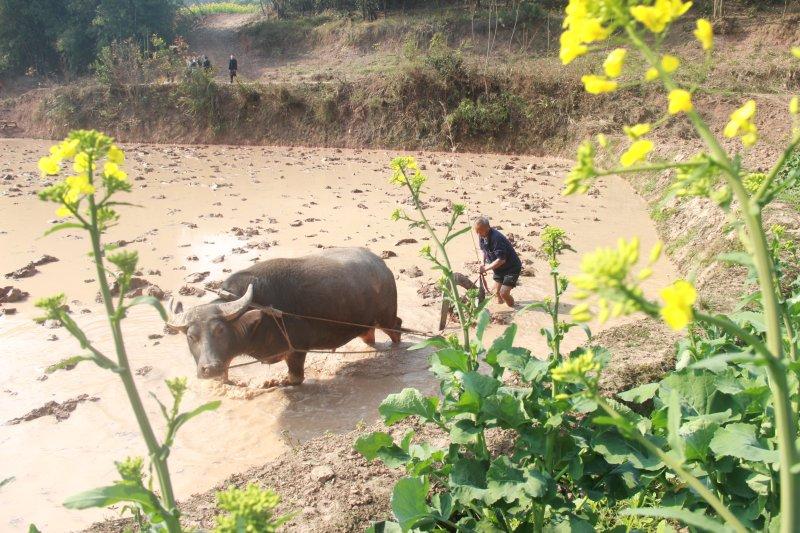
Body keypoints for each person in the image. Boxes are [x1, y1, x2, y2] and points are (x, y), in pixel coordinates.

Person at [474, 216, 522, 307]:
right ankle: (500, 308)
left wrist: (486, 268)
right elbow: (483, 250)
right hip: (499, 269)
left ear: (488, 228)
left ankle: (513, 307)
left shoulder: (497, 239)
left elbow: (501, 260)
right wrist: (482, 263)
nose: (478, 234)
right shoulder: (482, 235)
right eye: (477, 231)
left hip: (511, 268)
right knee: (495, 293)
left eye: (480, 231)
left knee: (503, 293)